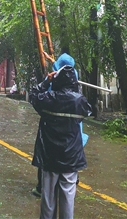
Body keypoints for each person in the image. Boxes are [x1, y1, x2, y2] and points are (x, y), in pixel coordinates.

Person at [30, 65, 92, 219]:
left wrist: (46, 82)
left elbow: (32, 95)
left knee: (48, 197)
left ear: (57, 80)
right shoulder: (80, 102)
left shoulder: (48, 99)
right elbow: (88, 110)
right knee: (68, 197)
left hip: (50, 155)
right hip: (71, 157)